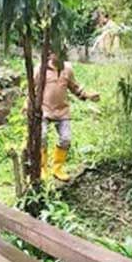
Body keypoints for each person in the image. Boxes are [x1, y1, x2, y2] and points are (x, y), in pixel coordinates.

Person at [35, 52, 100, 181]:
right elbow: (32, 89)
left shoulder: (67, 70)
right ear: (50, 54)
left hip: (62, 111)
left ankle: (57, 168)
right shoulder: (40, 69)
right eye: (55, 53)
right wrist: (28, 105)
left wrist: (88, 96)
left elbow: (75, 88)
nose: (58, 56)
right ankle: (42, 168)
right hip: (44, 110)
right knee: (41, 137)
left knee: (66, 139)